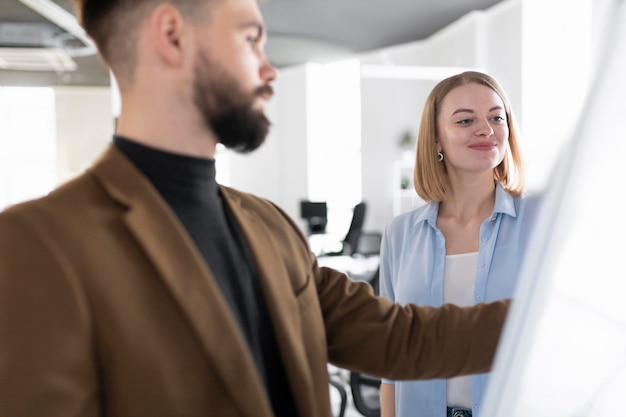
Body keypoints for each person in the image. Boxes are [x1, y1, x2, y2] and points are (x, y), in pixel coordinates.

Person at [0, 2, 510, 416]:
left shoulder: (269, 225)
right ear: (172, 34)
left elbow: (403, 338)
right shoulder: (38, 247)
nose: (269, 70)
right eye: (250, 39)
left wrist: (555, 306)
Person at [379, 71, 542, 417]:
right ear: (436, 139)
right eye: (466, 120)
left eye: (496, 117)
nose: (486, 128)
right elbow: (391, 363)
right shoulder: (399, 235)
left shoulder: (541, 222)